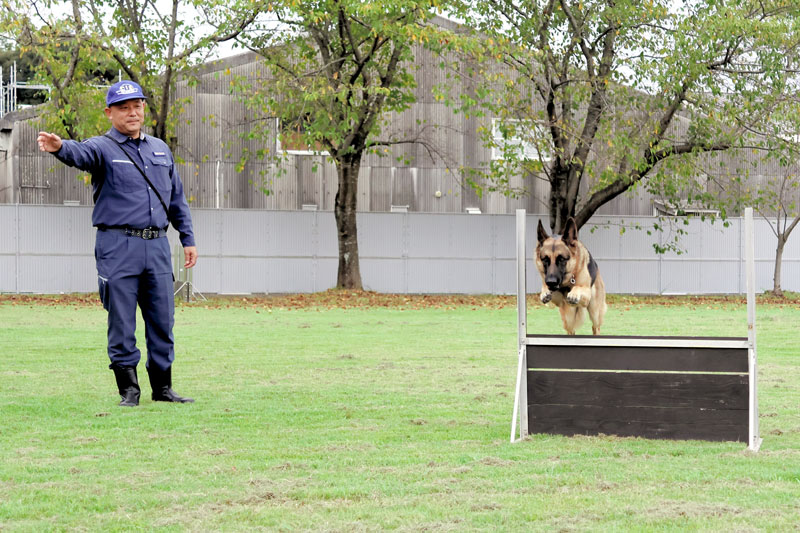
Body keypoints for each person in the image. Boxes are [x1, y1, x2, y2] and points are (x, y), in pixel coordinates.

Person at [37, 80, 197, 407]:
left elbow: (176, 198)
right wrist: (60, 148)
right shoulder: (102, 147)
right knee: (122, 320)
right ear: (110, 113)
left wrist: (187, 237)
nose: (132, 113)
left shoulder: (160, 149)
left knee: (163, 320)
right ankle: (129, 391)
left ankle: (163, 388)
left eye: (137, 106)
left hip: (157, 246)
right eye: (124, 108)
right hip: (117, 244)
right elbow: (80, 154)